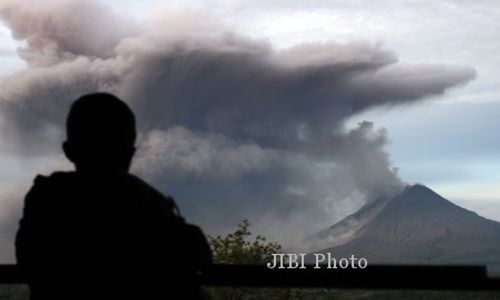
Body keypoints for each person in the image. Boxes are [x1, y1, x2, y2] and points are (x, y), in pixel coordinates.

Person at [15, 93, 212, 300]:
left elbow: (27, 259)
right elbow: (195, 255)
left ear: (69, 151)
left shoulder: (46, 199)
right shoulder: (150, 204)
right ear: (130, 153)